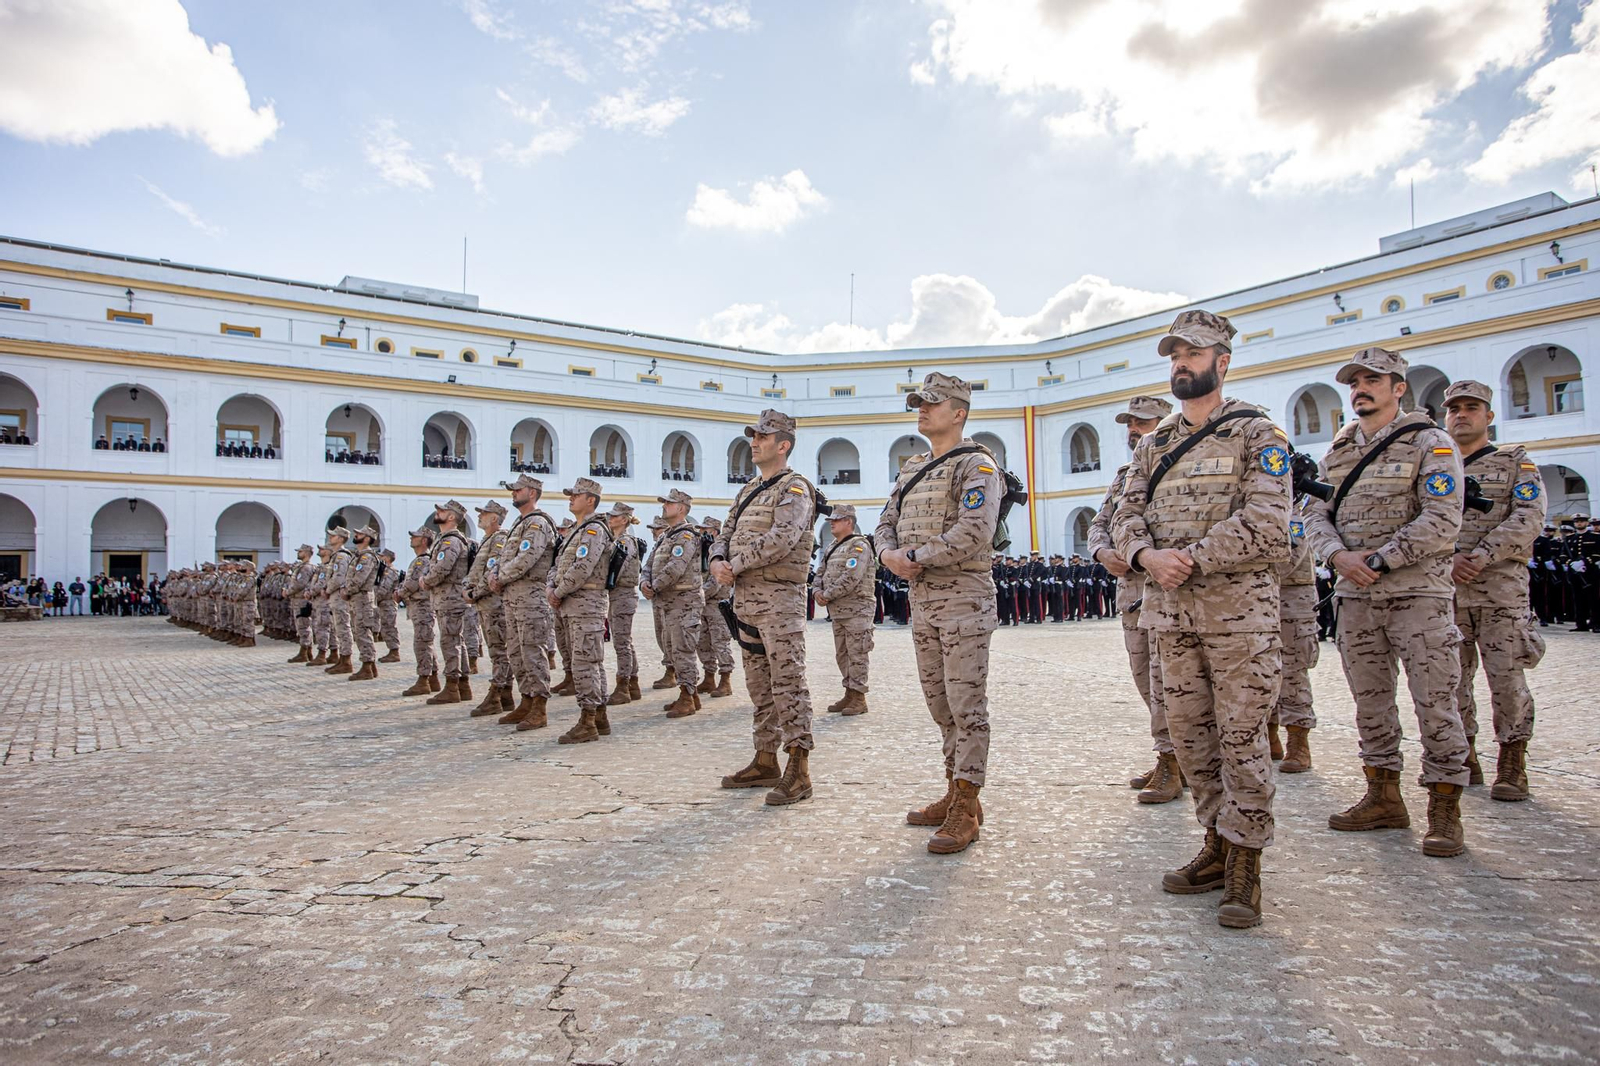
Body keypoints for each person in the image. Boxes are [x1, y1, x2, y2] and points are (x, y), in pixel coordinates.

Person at [1113, 310, 1291, 929]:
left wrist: (1185, 560)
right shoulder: (1154, 443)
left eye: (1194, 353)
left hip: (1238, 619)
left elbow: (1267, 522)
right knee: (1191, 740)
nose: (1181, 363)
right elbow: (1124, 514)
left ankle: (1246, 864)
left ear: (1224, 361)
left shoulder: (1258, 435)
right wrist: (1143, 555)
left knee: (1242, 738)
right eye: (1174, 355)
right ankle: (1216, 842)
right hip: (1170, 617)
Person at [1303, 347, 1470, 859]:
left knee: (1435, 702)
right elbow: (1314, 515)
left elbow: (1442, 517)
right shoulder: (1339, 450)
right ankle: (1382, 795)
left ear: (1399, 387)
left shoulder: (1431, 443)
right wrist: (1337, 557)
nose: (1361, 387)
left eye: (1373, 379)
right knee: (1370, 702)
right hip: (1356, 599)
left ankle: (1444, 808)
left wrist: (1378, 561)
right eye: (1354, 380)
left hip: (1416, 595)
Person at [874, 374, 1003, 853]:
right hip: (923, 600)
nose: (921, 411)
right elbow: (886, 520)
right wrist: (888, 554)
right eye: (918, 404)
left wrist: (916, 557)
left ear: (959, 411)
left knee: (967, 706)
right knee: (940, 703)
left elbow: (975, 529)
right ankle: (954, 790)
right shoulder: (912, 467)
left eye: (932, 403)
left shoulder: (978, 465)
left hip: (964, 598)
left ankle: (966, 807)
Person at [1443, 379, 1546, 802]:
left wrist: (1480, 555)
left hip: (1500, 591)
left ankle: (1512, 758)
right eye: (1454, 408)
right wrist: (1448, 557)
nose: (1461, 414)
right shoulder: (1436, 464)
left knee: (1506, 678)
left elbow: (1529, 517)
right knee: (1450, 680)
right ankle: (1464, 753)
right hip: (1446, 590)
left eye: (1471, 407)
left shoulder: (1515, 464)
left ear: (1488, 416)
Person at [711, 409, 819, 806]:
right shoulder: (747, 491)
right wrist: (716, 560)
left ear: (783, 444)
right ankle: (765, 758)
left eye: (762, 436)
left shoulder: (795, 489)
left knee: (788, 682)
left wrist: (733, 565)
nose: (754, 442)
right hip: (746, 601)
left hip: (779, 601)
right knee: (759, 685)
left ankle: (799, 768)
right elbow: (725, 532)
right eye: (753, 436)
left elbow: (782, 538)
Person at [1089, 394, 1181, 804]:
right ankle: (1172, 757)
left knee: (1171, 685)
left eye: (1142, 423)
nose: (1133, 431)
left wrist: (1134, 552)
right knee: (1146, 680)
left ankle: (1175, 763)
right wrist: (1102, 552)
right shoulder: (1126, 474)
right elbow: (1100, 523)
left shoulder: (1181, 467)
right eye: (1130, 424)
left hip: (1169, 592)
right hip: (1132, 595)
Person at [548, 477, 615, 743]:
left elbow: (582, 567)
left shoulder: (593, 531)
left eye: (576, 495)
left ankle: (588, 721)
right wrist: (551, 587)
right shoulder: (577, 531)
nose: (570, 498)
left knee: (585, 663)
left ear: (591, 500)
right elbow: (560, 563)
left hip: (586, 605)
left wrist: (558, 591)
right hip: (573, 605)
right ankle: (598, 716)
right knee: (588, 661)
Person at [491, 474, 560, 730]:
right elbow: (506, 557)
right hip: (512, 596)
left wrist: (501, 576)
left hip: (531, 596)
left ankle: (539, 707)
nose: (513, 493)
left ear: (531, 493)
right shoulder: (519, 524)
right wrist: (494, 575)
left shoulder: (537, 524)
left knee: (532, 651)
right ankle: (526, 700)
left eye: (517, 490)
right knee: (516, 651)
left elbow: (526, 558)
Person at [642, 489, 705, 718]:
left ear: (681, 508)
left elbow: (676, 567)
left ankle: (687, 697)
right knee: (671, 649)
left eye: (669, 503)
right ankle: (690, 693)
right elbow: (648, 564)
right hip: (667, 602)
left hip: (684, 602)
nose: (664, 506)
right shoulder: (665, 536)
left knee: (682, 649)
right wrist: (644, 582)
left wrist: (654, 586)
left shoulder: (686, 536)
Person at [1270, 501, 1318, 774]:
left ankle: (1298, 741)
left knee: (1292, 670)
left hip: (1291, 595)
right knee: (1257, 670)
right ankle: (1269, 734)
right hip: (1252, 596)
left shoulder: (1292, 502)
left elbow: (1293, 552)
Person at [814, 504, 875, 716]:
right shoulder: (832, 546)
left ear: (849, 522)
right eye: (831, 520)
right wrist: (816, 592)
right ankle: (849, 693)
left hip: (857, 610)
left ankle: (859, 698)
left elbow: (851, 577)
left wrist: (827, 594)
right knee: (842, 654)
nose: (832, 523)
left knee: (857, 654)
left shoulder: (859, 546)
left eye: (836, 520)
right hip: (838, 611)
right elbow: (819, 572)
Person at [422, 501, 474, 705]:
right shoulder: (446, 540)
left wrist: (425, 581)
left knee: (450, 642)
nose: (438, 512)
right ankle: (462, 685)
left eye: (442, 511)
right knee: (455, 641)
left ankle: (452, 686)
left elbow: (442, 568)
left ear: (452, 517)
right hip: (450, 597)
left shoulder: (450, 541)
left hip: (450, 598)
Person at [466, 501, 515, 717]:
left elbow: (493, 570)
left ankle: (497, 694)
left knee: (499, 650)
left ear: (494, 518)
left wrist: (473, 592)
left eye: (484, 513)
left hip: (494, 603)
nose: (480, 517)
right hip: (485, 603)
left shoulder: (499, 539)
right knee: (496, 649)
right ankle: (505, 695)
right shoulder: (488, 540)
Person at [603, 502, 645, 706]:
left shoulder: (625, 542)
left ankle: (623, 685)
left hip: (623, 595)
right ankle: (633, 684)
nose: (610, 518)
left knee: (621, 642)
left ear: (625, 519)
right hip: (617, 595)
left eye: (615, 516)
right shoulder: (616, 539)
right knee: (624, 640)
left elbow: (616, 570)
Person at [695, 517, 735, 699]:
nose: (703, 533)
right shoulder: (703, 551)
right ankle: (709, 677)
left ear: (715, 532)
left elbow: (715, 582)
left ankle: (725, 681)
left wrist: (697, 594)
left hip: (717, 605)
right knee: (703, 643)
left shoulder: (721, 554)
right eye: (702, 530)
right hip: (702, 604)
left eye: (707, 530)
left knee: (720, 643)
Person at [399, 527, 441, 696]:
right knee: (426, 642)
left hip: (422, 606)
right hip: (420, 606)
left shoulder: (422, 561)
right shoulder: (420, 560)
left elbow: (412, 583)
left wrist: (399, 593)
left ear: (424, 540)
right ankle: (433, 678)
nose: (411, 539)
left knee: (422, 643)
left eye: (415, 537)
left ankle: (424, 679)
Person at [345, 525, 382, 680]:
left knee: (363, 632)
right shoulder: (359, 555)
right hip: (357, 599)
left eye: (359, 534)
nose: (356, 535)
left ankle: (367, 665)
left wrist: (346, 591)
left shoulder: (367, 557)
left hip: (362, 599)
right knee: (359, 632)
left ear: (367, 538)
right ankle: (370, 666)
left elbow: (359, 579)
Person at [322, 527, 356, 674]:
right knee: (339, 628)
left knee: (343, 628)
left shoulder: (341, 556)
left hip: (339, 597)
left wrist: (327, 589)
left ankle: (346, 660)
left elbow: (339, 577)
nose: (331, 538)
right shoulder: (336, 556)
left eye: (334, 536)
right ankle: (342, 658)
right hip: (335, 597)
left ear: (341, 539)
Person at [286, 544, 317, 663]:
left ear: (307, 553)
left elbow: (300, 584)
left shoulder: (306, 568)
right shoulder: (302, 567)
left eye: (300, 551)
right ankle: (307, 651)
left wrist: (288, 592)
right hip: (298, 600)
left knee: (303, 626)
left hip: (302, 600)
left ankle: (304, 651)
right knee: (302, 625)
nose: (298, 553)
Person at [374, 548, 403, 663]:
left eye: (382, 556)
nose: (380, 559)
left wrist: (374, 598)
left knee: (390, 627)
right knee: (386, 627)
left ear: (387, 558)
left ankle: (394, 652)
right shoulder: (384, 571)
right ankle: (392, 650)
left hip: (388, 603)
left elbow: (384, 589)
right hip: (384, 603)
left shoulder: (390, 571)